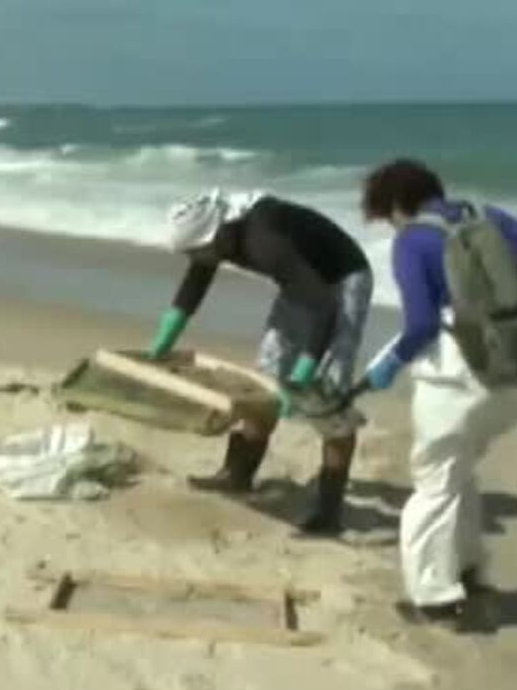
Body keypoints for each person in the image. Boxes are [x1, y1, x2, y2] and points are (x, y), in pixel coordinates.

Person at [353, 159, 517, 632]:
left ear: (396, 205)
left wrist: (387, 365)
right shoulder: (488, 217)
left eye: (386, 215)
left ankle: (434, 597)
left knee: (433, 482)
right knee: (460, 470)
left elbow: (422, 325)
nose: (390, 224)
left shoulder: (413, 241)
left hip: (457, 381)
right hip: (514, 376)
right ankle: (470, 570)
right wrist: (503, 307)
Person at [150, 189, 374, 536]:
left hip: (342, 280)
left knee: (326, 397)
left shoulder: (264, 239)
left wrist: (303, 372)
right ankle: (237, 475)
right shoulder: (217, 235)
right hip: (301, 282)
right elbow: (196, 281)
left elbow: (324, 306)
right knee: (267, 375)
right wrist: (165, 339)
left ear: (217, 235)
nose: (197, 258)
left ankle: (329, 513)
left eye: (198, 251)